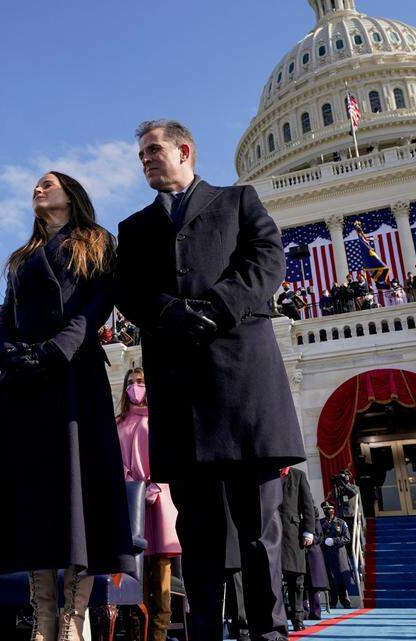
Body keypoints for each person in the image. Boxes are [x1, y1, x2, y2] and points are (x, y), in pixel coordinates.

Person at [115, 119, 305, 641]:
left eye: (154, 150)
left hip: (244, 386)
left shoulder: (239, 201)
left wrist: (218, 307)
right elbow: (128, 290)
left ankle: (268, 631)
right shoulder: (133, 229)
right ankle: (203, 632)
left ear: (185, 150)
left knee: (258, 530)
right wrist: (171, 314)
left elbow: (267, 261)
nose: (146, 160)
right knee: (196, 532)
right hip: (179, 393)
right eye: (142, 155)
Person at [0, 171, 134, 641]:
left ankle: (73, 618)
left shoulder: (97, 242)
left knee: (80, 492)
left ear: (71, 194)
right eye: (35, 184)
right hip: (25, 384)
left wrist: (59, 347)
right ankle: (44, 614)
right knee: (32, 495)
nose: (38, 188)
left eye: (48, 183)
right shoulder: (22, 257)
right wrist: (9, 353)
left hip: (74, 375)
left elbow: (98, 304)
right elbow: (7, 314)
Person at [115, 368, 181, 641]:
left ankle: (159, 633)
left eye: (140, 382)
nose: (135, 387)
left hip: (160, 496)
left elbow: (169, 453)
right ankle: (137, 631)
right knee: (136, 568)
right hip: (131, 500)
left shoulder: (159, 418)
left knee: (161, 568)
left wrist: (154, 484)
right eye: (130, 383)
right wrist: (132, 484)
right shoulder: (118, 423)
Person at [279, 467, 327, 628]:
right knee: (272, 579)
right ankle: (277, 618)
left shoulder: (298, 475)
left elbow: (307, 506)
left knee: (296, 579)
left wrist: (309, 531)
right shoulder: (266, 473)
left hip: (292, 534)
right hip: (270, 533)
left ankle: (297, 617)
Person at [317, 502, 352, 608]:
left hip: (338, 555)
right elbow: (318, 537)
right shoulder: (320, 523)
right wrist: (324, 541)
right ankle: (333, 601)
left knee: (341, 578)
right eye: (325, 509)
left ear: (333, 510)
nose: (327, 511)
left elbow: (347, 538)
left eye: (329, 509)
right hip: (326, 555)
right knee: (330, 579)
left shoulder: (341, 522)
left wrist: (334, 541)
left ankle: (345, 601)